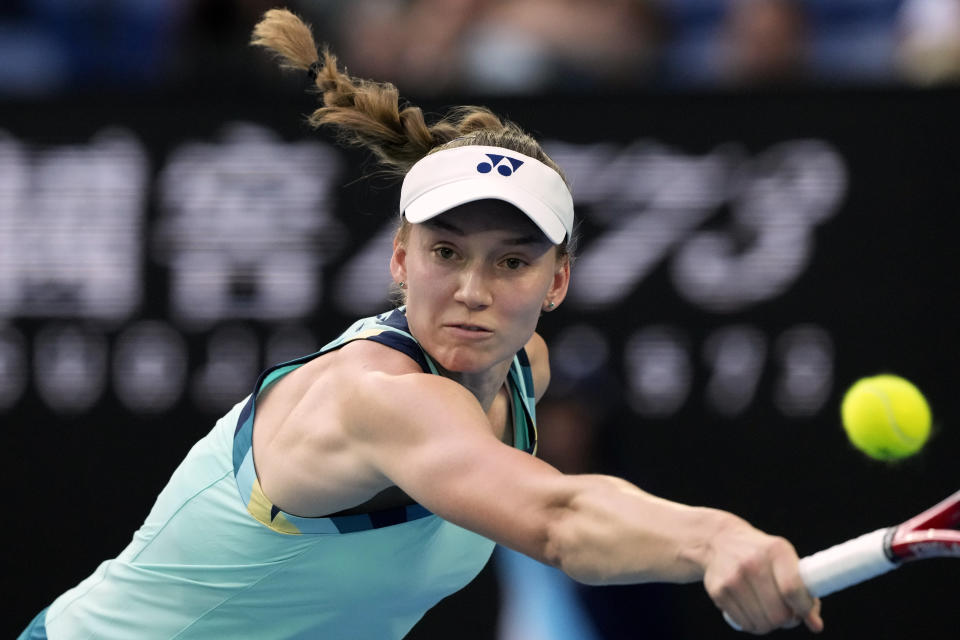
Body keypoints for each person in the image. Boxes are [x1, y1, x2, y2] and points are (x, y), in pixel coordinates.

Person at [19, 8, 824, 639]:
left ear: (558, 281)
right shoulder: (378, 395)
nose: (473, 289)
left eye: (512, 261)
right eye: (446, 252)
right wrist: (715, 538)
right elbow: (559, 518)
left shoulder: (524, 371)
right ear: (400, 260)